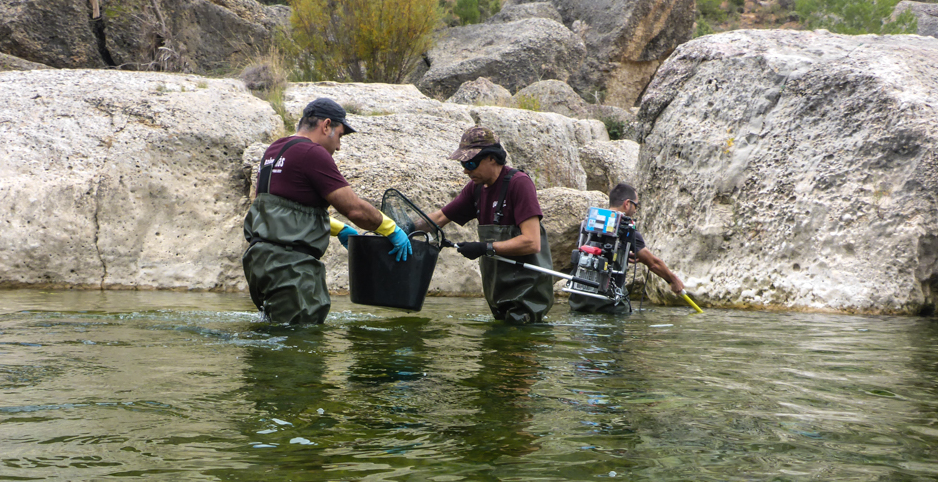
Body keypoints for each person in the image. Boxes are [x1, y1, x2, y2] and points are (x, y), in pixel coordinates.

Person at [242, 97, 413, 324]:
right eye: (340, 135)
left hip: (259, 263)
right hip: (290, 267)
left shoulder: (273, 152)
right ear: (326, 126)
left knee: (272, 337)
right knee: (301, 344)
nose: (339, 146)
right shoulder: (312, 153)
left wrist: (338, 228)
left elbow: (275, 212)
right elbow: (354, 209)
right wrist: (390, 229)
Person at [422, 127, 554, 324]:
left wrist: (485, 248)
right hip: (497, 293)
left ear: (492, 158)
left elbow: (532, 242)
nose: (466, 170)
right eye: (463, 164)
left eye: (471, 163)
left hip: (527, 294)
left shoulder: (519, 184)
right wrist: (398, 230)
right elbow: (439, 218)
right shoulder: (475, 189)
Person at [568, 182, 685, 315]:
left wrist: (623, 255)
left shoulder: (588, 223)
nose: (635, 210)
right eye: (636, 205)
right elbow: (654, 264)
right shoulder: (626, 229)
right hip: (607, 303)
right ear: (627, 203)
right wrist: (673, 280)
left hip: (579, 298)